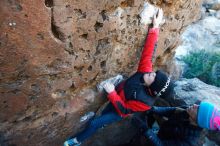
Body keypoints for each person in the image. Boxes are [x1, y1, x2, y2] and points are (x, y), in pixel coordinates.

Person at [64, 8, 175, 146]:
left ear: (152, 88)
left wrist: (112, 93)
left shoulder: (145, 103)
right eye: (154, 73)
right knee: (104, 113)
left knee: (95, 123)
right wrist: (155, 27)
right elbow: (148, 52)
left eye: (153, 77)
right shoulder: (145, 72)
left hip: (120, 108)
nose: (152, 72)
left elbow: (123, 109)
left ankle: (76, 141)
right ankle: (102, 122)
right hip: (118, 95)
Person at [132, 101, 220, 146]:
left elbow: (162, 145)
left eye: (198, 109)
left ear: (199, 120)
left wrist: (145, 129)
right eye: (199, 105)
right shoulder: (187, 111)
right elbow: (172, 110)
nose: (195, 105)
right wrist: (154, 109)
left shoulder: (188, 141)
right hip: (164, 131)